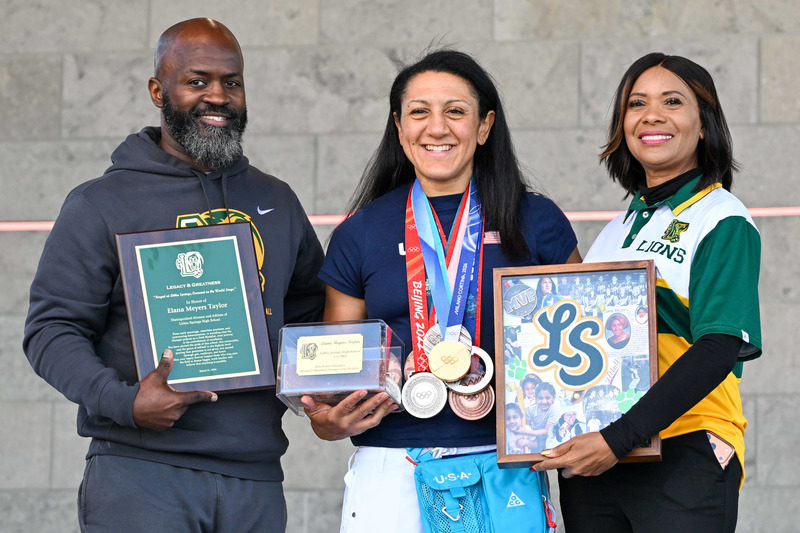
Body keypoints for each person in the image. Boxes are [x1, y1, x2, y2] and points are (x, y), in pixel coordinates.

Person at [22, 18, 325, 533]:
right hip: (141, 474)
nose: (218, 96)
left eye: (232, 82)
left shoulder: (276, 200)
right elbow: (51, 331)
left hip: (256, 478)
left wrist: (329, 390)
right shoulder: (101, 204)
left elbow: (311, 313)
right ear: (158, 91)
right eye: (197, 81)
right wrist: (125, 401)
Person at [300, 49, 581, 533]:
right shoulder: (360, 233)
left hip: (509, 465)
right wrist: (326, 420)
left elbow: (583, 333)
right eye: (419, 112)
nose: (437, 127)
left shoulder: (536, 220)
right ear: (399, 126)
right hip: (392, 468)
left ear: (485, 126)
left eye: (455, 111)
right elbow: (337, 373)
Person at [534, 53, 761, 533]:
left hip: (684, 448)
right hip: (598, 457)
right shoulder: (616, 229)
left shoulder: (722, 218)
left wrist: (618, 439)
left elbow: (719, 347)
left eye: (672, 101)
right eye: (636, 103)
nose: (651, 115)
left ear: (704, 126)